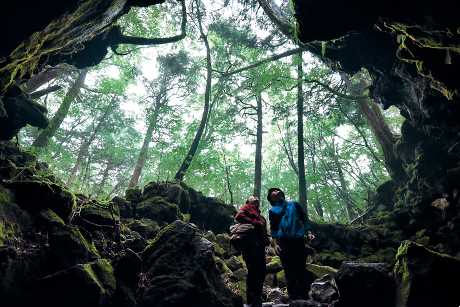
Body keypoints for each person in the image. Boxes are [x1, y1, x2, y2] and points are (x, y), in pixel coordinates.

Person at [267, 187, 315, 301]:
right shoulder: (273, 211)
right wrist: (275, 244)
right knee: (289, 271)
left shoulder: (294, 205)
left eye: (276, 190)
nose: (275, 191)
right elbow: (274, 229)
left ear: (282, 193)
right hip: (284, 243)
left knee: (301, 269)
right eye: (272, 191)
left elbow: (304, 219)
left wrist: (309, 232)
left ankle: (305, 298)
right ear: (271, 198)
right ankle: (293, 299)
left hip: (298, 241)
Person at [234, 196, 269, 307]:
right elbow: (238, 216)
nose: (256, 199)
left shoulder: (261, 216)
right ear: (248, 201)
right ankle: (252, 301)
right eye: (253, 198)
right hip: (249, 245)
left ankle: (256, 299)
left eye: (257, 198)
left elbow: (263, 231)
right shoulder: (246, 208)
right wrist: (255, 222)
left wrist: (267, 241)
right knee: (254, 271)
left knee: (261, 271)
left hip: (259, 246)